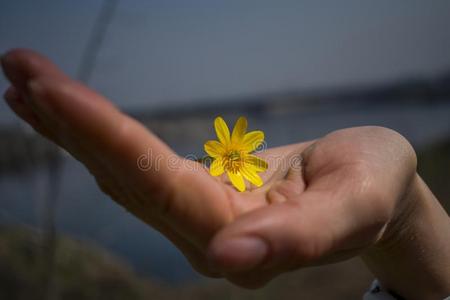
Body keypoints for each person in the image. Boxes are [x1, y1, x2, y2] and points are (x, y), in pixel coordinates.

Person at [1, 49, 449, 300]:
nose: (239, 164)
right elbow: (224, 163)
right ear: (222, 153)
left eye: (240, 159)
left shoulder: (240, 158)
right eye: (229, 159)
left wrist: (404, 206)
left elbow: (240, 168)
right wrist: (407, 209)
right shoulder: (223, 156)